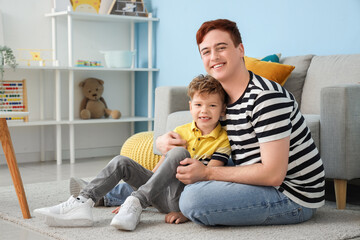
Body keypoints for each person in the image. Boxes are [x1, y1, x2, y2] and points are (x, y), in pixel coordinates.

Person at [156, 19, 325, 226]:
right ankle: (121, 193)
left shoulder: (266, 97)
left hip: (291, 194)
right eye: (206, 52)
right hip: (248, 170)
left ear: (240, 49)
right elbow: (201, 136)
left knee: (192, 199)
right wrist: (163, 142)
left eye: (221, 48)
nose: (214, 57)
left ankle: (187, 203)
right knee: (180, 163)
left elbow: (273, 175)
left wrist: (207, 173)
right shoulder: (221, 98)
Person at [34, 74, 231, 230]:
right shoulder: (181, 131)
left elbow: (209, 179)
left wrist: (186, 212)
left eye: (212, 106)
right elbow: (160, 169)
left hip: (184, 199)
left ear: (222, 110)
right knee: (121, 161)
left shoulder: (223, 140)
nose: (204, 111)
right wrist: (145, 190)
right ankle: (83, 202)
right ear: (190, 106)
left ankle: (136, 201)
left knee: (180, 154)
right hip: (160, 195)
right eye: (198, 105)